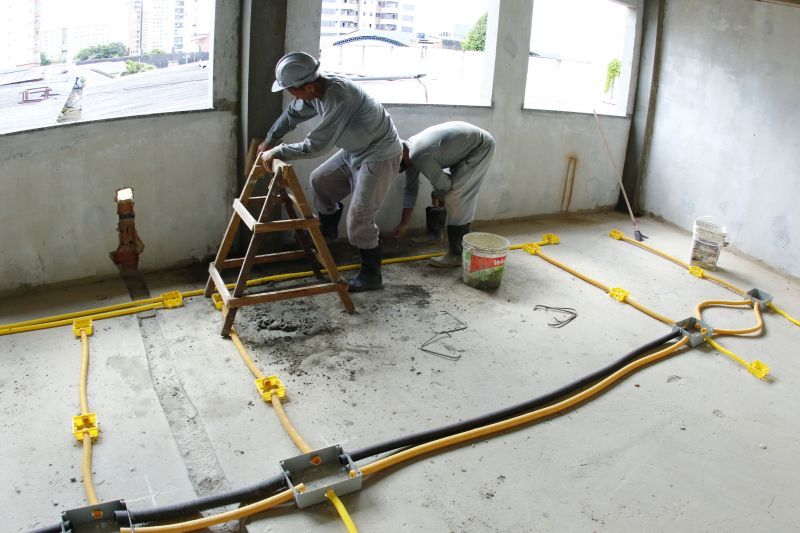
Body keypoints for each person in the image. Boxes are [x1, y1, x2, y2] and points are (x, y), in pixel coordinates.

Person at [259, 51, 402, 292]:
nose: (291, 95)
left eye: (291, 90)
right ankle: (328, 229)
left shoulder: (340, 96)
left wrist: (280, 151)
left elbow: (318, 145)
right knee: (321, 180)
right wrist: (271, 139)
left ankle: (371, 275)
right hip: (354, 149)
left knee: (359, 218)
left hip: (379, 154)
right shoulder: (315, 91)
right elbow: (293, 114)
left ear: (309, 86)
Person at [393, 121, 496, 267]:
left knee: (455, 195)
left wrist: (438, 192)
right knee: (444, 191)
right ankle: (435, 234)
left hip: (480, 147)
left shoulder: (418, 154)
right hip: (465, 148)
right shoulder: (409, 153)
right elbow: (411, 190)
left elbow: (445, 186)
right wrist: (404, 224)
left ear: (400, 153)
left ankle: (457, 254)